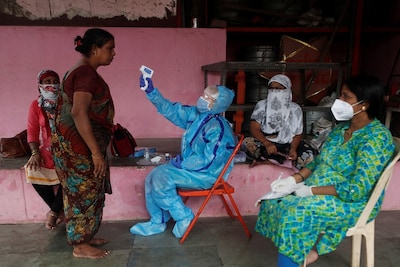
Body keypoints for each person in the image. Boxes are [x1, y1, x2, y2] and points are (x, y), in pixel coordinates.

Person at [255, 74, 395, 266]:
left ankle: (295, 257)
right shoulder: (340, 130)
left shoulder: (376, 138)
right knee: (273, 202)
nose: (339, 101)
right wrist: (293, 180)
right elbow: (317, 162)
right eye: (341, 95)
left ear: (365, 104)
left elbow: (357, 188)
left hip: (353, 201)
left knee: (295, 214)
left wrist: (310, 191)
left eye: (346, 97)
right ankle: (302, 252)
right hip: (321, 187)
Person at [130, 76, 236, 239]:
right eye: (204, 95)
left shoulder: (219, 129)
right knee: (152, 176)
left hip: (206, 174)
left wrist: (184, 164)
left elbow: (211, 161)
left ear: (218, 104)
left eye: (208, 98)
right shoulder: (198, 116)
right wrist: (152, 92)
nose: (202, 99)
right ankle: (157, 221)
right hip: (191, 169)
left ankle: (183, 216)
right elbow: (173, 110)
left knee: (161, 176)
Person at [51, 28, 115, 259]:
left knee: (85, 192)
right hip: (80, 149)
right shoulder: (86, 73)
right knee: (83, 194)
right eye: (109, 48)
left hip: (74, 147)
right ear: (95, 49)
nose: (113, 53)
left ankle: (85, 237)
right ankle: (80, 246)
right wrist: (96, 153)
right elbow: (79, 112)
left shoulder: (78, 71)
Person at [244, 74, 311, 167]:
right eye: (271, 88)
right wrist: (266, 143)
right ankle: (274, 162)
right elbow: (254, 128)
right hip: (266, 140)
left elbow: (298, 133)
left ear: (287, 89)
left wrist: (293, 149)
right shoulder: (262, 105)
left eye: (278, 88)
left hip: (288, 142)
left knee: (307, 155)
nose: (274, 91)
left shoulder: (295, 109)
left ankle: (271, 162)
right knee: (249, 144)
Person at [25, 69, 63, 230]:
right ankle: (58, 211)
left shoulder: (66, 102)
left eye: (54, 81)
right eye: (47, 81)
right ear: (40, 84)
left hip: (68, 148)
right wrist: (35, 152)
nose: (51, 85)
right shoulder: (36, 105)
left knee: (71, 175)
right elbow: (32, 131)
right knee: (32, 170)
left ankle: (53, 213)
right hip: (47, 150)